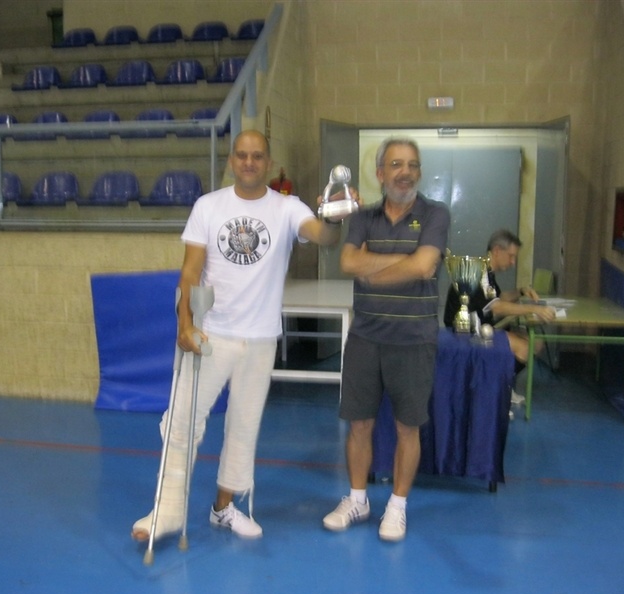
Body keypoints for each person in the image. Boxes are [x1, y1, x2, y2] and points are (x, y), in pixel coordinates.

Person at [132, 129, 351, 542]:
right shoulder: (208, 206)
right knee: (181, 422)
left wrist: (333, 216)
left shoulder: (288, 207)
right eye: (242, 155)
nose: (249, 162)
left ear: (268, 163)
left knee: (243, 427)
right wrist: (184, 324)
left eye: (258, 156)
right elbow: (190, 271)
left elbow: (325, 237)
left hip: (261, 338)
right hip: (211, 333)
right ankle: (166, 512)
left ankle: (224, 509)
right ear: (232, 160)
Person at [322, 137, 450, 543]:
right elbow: (347, 261)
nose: (405, 172)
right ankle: (357, 500)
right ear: (380, 173)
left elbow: (425, 266)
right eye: (396, 164)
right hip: (365, 337)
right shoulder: (362, 216)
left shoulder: (435, 214)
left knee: (407, 428)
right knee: (359, 424)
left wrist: (374, 270)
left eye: (412, 165)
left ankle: (396, 506)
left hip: (414, 339)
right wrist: (407, 263)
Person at [443, 229, 557, 406]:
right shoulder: (479, 272)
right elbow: (496, 307)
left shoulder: (488, 273)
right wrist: (534, 309)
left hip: (484, 327)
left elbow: (498, 298)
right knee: (524, 348)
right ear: (497, 250)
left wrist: (520, 292)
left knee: (537, 343)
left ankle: (502, 385)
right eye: (511, 256)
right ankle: (494, 389)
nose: (513, 262)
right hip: (466, 331)